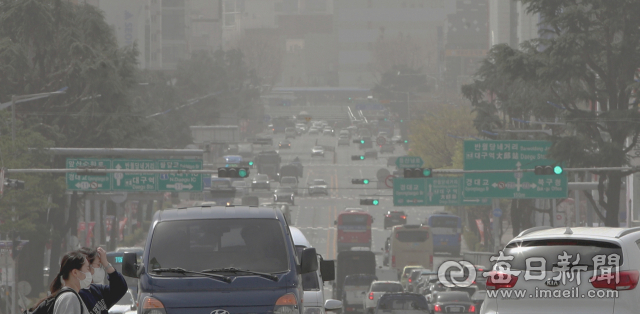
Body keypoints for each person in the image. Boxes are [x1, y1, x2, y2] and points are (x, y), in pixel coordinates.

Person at [78, 247, 128, 314]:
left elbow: (120, 288)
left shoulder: (95, 289)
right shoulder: (77, 294)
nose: (100, 268)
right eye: (98, 264)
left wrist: (106, 263)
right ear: (87, 265)